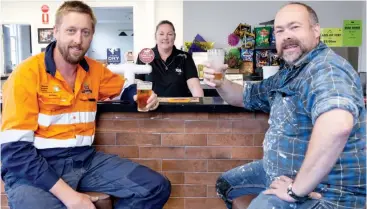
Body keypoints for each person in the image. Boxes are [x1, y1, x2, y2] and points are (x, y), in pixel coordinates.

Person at [0, 1, 171, 209]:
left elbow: (125, 88)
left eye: (85, 32)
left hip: (85, 160)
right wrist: (71, 197)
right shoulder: (26, 74)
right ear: (56, 32)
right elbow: (15, 153)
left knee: (156, 187)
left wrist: (140, 95)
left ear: (92, 35)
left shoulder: (94, 70)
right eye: (71, 31)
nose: (78, 40)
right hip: (36, 168)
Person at [204, 2, 366, 209]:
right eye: (280, 30)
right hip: (281, 172)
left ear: (316, 31)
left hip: (325, 191)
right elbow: (244, 96)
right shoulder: (288, 73)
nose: (286, 35)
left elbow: (337, 126)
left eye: (295, 27)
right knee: (227, 185)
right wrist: (220, 82)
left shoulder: (326, 69)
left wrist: (296, 191)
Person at [135, 20, 204, 97]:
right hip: (151, 106)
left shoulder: (185, 57)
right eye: (161, 34)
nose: (165, 37)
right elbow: (138, 82)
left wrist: (200, 105)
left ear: (174, 37)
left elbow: (194, 86)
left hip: (180, 106)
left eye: (170, 34)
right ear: (155, 36)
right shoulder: (144, 56)